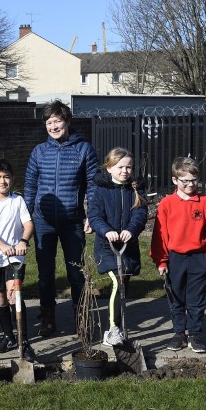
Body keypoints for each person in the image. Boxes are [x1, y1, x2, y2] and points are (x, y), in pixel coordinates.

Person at [24, 99, 99, 337]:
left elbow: (93, 187)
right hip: (43, 221)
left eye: (57, 121)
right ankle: (47, 318)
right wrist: (26, 217)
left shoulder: (84, 150)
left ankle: (82, 318)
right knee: (45, 273)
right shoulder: (39, 152)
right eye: (49, 122)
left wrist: (92, 216)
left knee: (76, 272)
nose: (53, 126)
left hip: (72, 221)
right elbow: (30, 186)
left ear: (67, 121)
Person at [150, 156, 206, 353]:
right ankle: (179, 332)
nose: (190, 184)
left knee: (196, 299)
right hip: (174, 259)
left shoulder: (204, 202)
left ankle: (195, 334)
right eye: (185, 181)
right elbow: (160, 235)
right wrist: (161, 260)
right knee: (176, 298)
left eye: (194, 180)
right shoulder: (167, 203)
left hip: (200, 258)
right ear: (175, 180)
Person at [87, 148, 148, 346]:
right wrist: (106, 230)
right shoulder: (101, 190)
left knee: (123, 287)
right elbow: (95, 216)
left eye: (128, 167)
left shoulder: (135, 189)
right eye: (120, 167)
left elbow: (140, 215)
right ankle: (112, 330)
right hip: (108, 247)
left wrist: (131, 230)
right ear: (109, 168)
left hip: (127, 247)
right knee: (116, 283)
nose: (125, 171)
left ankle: (120, 327)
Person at [0, 158, 36, 361]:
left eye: (6, 177)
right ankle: (8, 336)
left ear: (12, 179)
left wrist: (22, 241)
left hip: (15, 259)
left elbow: (28, 223)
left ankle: (25, 340)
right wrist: (2, 246)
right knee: (1, 298)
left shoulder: (17, 200)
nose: (2, 181)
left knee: (15, 297)